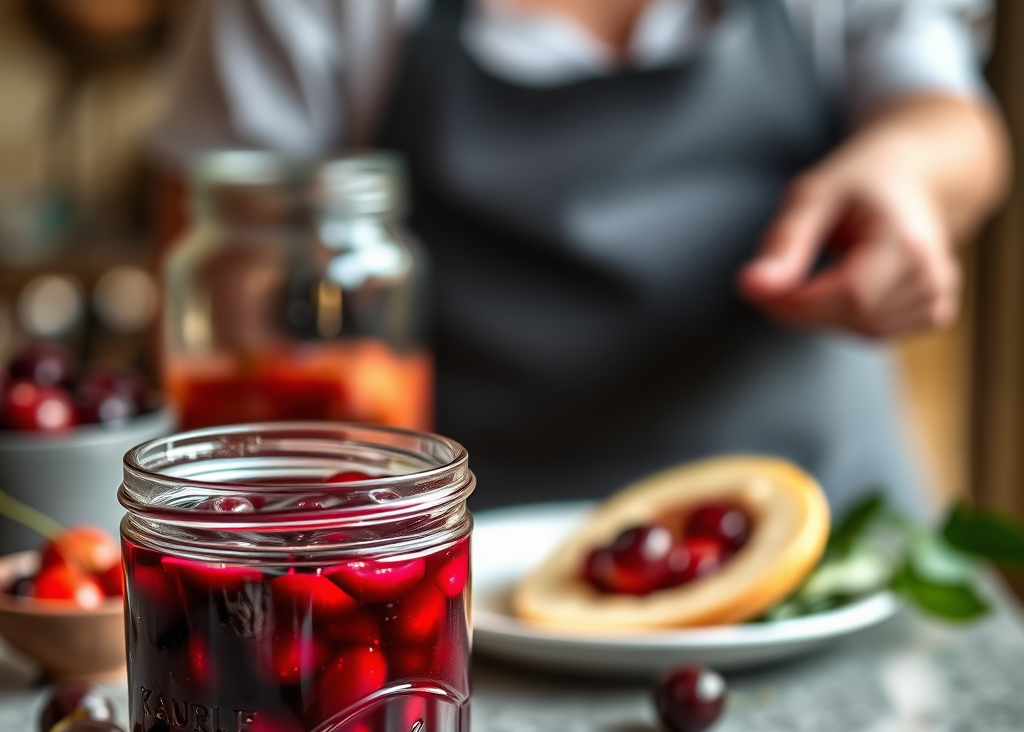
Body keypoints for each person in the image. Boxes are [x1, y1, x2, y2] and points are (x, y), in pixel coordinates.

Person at [153, 0, 1010, 513]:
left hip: (826, 535)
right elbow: (223, 274)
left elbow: (947, 115)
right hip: (472, 581)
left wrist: (902, 175)